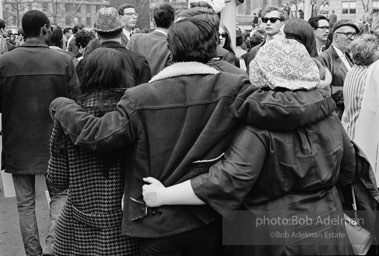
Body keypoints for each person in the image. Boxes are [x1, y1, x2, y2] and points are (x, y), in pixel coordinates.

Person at [50, 17, 337, 256]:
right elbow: (284, 110)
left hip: (155, 220)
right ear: (214, 48)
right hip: (210, 216)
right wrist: (324, 99)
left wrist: (62, 105)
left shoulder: (139, 97)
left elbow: (98, 136)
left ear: (170, 50)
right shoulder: (234, 87)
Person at [142, 37, 355, 256]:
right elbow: (348, 170)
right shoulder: (329, 114)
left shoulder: (261, 123)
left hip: (270, 233)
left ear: (262, 72)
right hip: (328, 226)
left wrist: (163, 195)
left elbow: (227, 181)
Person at [0, 10, 79, 256]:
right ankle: (52, 246)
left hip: (18, 141)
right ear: (45, 29)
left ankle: (33, 253)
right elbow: (76, 102)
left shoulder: (4, 62)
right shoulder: (64, 61)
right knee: (60, 195)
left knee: (24, 204)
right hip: (56, 141)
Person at [47, 47, 140, 256]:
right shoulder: (134, 116)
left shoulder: (67, 117)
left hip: (76, 229)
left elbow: (58, 179)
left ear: (85, 75)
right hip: (127, 229)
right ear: (125, 75)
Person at [93, 7, 151, 86]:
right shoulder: (138, 61)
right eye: (129, 14)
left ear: (97, 34)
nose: (134, 17)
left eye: (134, 14)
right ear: (121, 32)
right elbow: (145, 93)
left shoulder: (85, 63)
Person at [318, 19, 359, 119]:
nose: (352, 38)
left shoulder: (348, 56)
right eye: (348, 34)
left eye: (354, 35)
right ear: (335, 36)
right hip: (336, 116)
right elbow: (322, 90)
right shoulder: (324, 58)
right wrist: (354, 92)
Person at [127, 3, 174, 76]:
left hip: (135, 86)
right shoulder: (173, 45)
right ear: (172, 22)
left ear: (153, 21)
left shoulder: (135, 39)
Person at [242, 6, 287, 72]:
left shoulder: (290, 49)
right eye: (265, 20)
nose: (268, 23)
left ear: (282, 23)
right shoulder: (253, 52)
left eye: (273, 20)